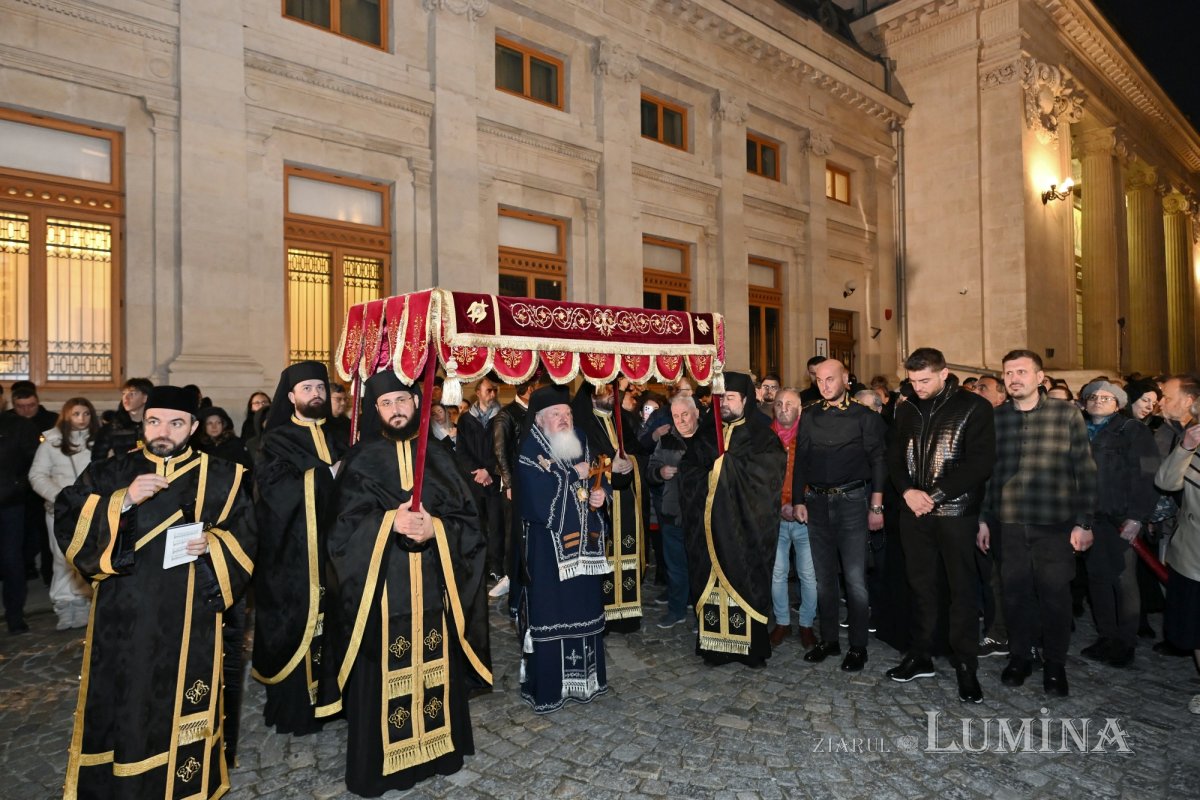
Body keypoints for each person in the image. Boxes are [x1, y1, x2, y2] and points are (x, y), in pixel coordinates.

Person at [55, 385, 255, 798]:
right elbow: (68, 514)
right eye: (154, 421)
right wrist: (122, 501)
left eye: (176, 423)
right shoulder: (111, 472)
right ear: (143, 423)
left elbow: (249, 535)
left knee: (176, 703)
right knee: (125, 700)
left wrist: (213, 544)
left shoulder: (224, 475)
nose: (163, 431)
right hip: (123, 613)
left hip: (190, 616)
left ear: (194, 427)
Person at [316, 370, 490, 796]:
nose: (396, 410)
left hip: (432, 582)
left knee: (437, 666)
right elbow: (339, 534)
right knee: (380, 674)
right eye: (386, 404)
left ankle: (439, 751)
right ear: (375, 409)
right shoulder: (361, 458)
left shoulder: (441, 456)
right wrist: (387, 521)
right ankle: (381, 767)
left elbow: (470, 523)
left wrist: (437, 530)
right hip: (381, 593)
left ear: (416, 402)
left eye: (402, 401)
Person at [978, 350, 1096, 698]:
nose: (1014, 378)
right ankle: (1019, 657)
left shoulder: (1066, 414)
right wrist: (983, 519)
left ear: (1040, 377)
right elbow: (988, 475)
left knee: (1055, 597)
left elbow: (1085, 470)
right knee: (1014, 596)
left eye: (1021, 372)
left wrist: (1084, 523)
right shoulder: (996, 418)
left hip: (1055, 524)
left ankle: (1055, 664)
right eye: (1008, 373)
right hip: (1008, 524)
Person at [884, 348, 995, 703]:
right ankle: (921, 654)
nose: (917, 386)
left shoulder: (973, 407)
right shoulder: (905, 408)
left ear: (944, 373)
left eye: (925, 380)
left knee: (961, 591)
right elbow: (894, 459)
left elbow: (981, 463)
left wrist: (935, 494)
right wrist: (907, 492)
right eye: (913, 380)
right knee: (920, 586)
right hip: (914, 513)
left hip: (955, 514)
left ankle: (966, 665)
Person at [251, 361, 348, 735]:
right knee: (299, 627)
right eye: (307, 389)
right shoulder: (275, 440)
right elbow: (276, 492)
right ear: (290, 396)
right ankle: (301, 710)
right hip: (294, 554)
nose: (316, 395)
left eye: (320, 388)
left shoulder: (343, 433)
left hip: (339, 552)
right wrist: (328, 476)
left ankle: (340, 699)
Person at [515, 384, 611, 712]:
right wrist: (572, 473)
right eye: (556, 414)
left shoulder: (582, 439)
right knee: (552, 614)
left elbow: (599, 476)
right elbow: (538, 503)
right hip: (547, 553)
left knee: (584, 611)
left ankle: (586, 682)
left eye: (567, 413)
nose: (564, 419)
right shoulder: (530, 448)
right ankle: (551, 688)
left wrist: (601, 496)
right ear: (540, 419)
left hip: (587, 551)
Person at [679, 372, 785, 667]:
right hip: (710, 529)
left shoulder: (763, 437)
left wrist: (728, 469)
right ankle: (716, 648)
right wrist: (715, 471)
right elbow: (688, 473)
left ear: (746, 400)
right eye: (720, 397)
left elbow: (768, 478)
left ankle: (750, 649)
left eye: (730, 397)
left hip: (743, 530)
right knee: (710, 582)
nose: (723, 403)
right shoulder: (706, 434)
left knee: (746, 580)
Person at [794, 359, 887, 672]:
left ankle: (858, 647)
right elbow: (801, 460)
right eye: (819, 379)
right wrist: (797, 500)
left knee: (855, 580)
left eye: (830, 379)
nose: (824, 385)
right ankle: (829, 640)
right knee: (824, 579)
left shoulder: (864, 416)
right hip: (816, 502)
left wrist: (876, 505)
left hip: (852, 501)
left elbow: (878, 462)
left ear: (846, 380)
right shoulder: (809, 415)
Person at [1077, 380, 1159, 668]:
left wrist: (1138, 516)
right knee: (1097, 579)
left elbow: (1148, 475)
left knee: (1124, 580)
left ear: (1119, 403)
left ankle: (1126, 642)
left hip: (1121, 519)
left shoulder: (1133, 431)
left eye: (1106, 397)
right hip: (1089, 519)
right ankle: (1106, 636)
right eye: (1093, 396)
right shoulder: (1077, 432)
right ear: (1084, 402)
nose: (1098, 400)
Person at [571, 382, 642, 630]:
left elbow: (636, 451)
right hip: (601, 503)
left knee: (627, 552)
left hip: (626, 501)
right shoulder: (582, 424)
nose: (612, 395)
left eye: (613, 390)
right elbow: (587, 464)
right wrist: (612, 466)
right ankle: (604, 612)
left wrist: (631, 462)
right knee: (606, 555)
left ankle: (627, 614)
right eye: (604, 391)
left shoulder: (621, 420)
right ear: (591, 396)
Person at [28, 398, 98, 630]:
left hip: (91, 510)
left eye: (86, 414)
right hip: (61, 511)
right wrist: (60, 498)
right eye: (76, 413)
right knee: (62, 558)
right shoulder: (51, 442)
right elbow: (37, 475)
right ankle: (64, 604)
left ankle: (85, 601)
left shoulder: (98, 442)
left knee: (87, 558)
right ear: (66, 415)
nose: (81, 419)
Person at [1154, 414, 1200, 712]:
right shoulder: (1193, 448)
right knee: (1197, 630)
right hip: (1193, 556)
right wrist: (1185, 446)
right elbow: (1165, 482)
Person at [768, 388, 818, 650]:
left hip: (804, 517)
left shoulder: (811, 436)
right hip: (774, 520)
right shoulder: (766, 438)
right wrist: (777, 505)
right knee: (777, 574)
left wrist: (800, 502)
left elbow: (820, 475)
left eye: (789, 403)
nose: (783, 408)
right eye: (778, 403)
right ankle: (783, 622)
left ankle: (807, 625)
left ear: (800, 408)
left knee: (808, 575)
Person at [646, 394, 700, 629]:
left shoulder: (707, 438)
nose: (681, 420)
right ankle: (677, 609)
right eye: (676, 416)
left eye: (685, 414)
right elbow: (651, 468)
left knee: (700, 566)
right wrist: (660, 473)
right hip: (671, 511)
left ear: (696, 413)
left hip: (699, 515)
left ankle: (704, 614)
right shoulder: (666, 440)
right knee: (675, 567)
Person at [455, 376, 504, 594]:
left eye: (495, 390)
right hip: (474, 482)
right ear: (477, 392)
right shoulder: (466, 419)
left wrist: (490, 470)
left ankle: (495, 566)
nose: (492, 394)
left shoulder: (503, 416)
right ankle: (478, 567)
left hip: (494, 481)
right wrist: (477, 472)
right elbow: (461, 451)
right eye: (488, 390)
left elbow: (505, 448)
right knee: (476, 524)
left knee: (496, 525)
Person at [491, 378, 537, 599]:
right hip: (514, 483)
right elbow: (499, 452)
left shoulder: (538, 411)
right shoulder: (506, 415)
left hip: (535, 479)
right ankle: (509, 576)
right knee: (512, 531)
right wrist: (509, 483)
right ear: (529, 389)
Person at [0, 408, 39, 633]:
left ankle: (14, 616)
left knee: (11, 559)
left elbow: (35, 462)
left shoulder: (18, 426)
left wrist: (17, 486)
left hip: (10, 504)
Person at [93, 377, 153, 460]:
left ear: (145, 398)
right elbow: (97, 460)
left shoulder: (156, 425)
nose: (126, 398)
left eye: (132, 394)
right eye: (124, 393)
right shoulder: (113, 426)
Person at [326, 382, 352, 450]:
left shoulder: (348, 423)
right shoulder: (321, 423)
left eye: (345, 399)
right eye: (338, 399)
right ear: (327, 399)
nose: (343, 403)